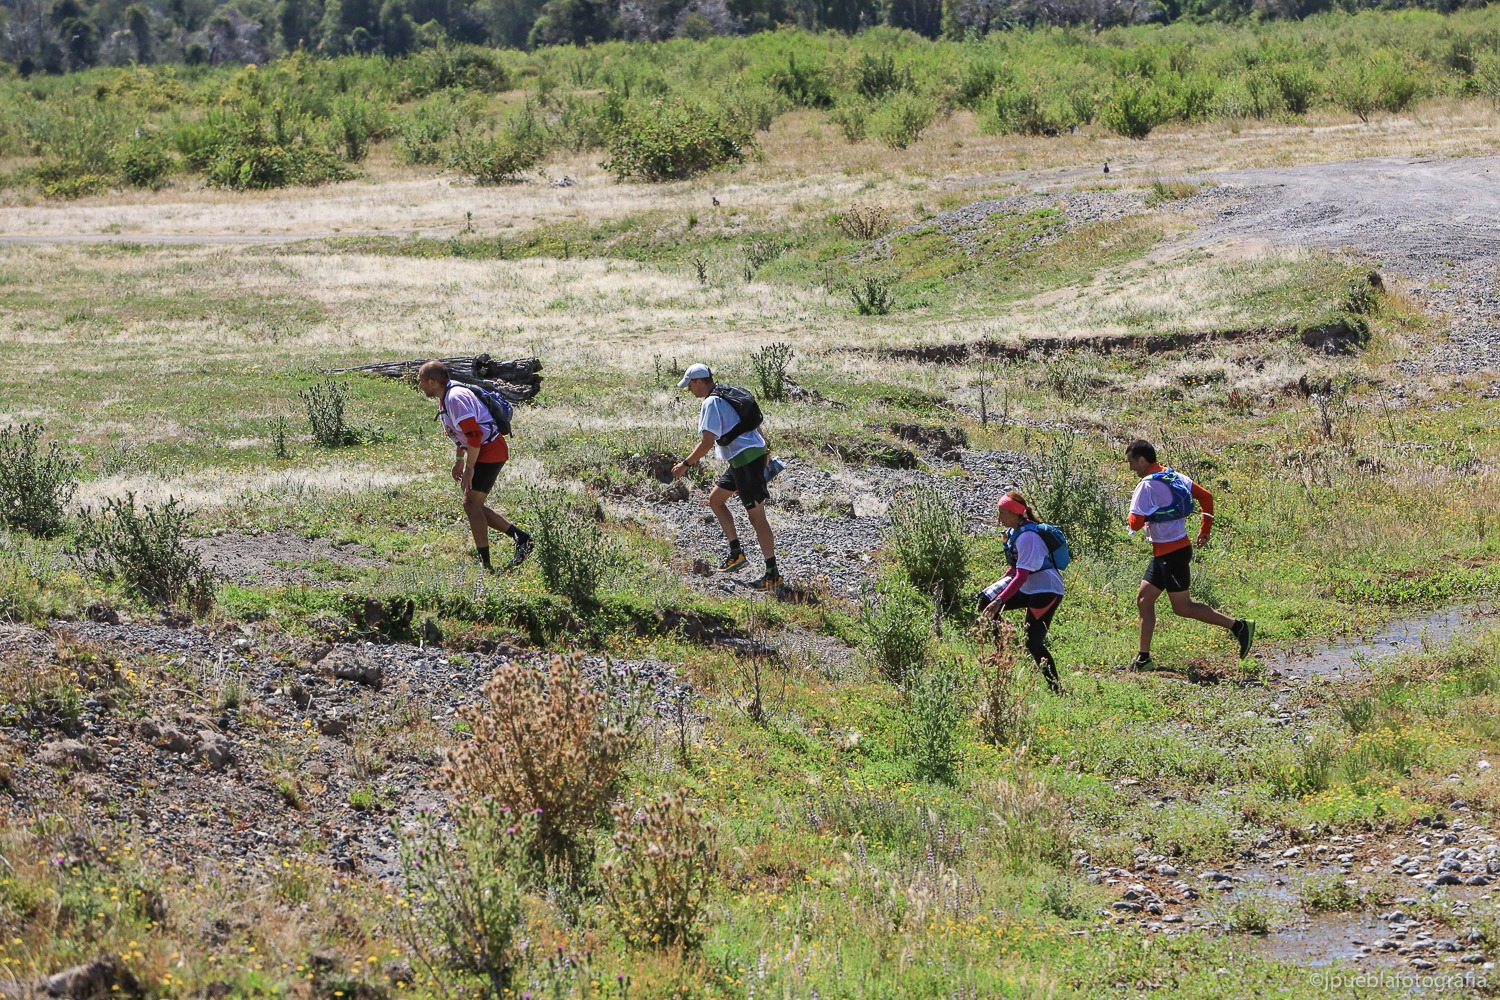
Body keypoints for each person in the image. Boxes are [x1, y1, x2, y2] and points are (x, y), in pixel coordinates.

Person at [1124, 439, 1253, 668]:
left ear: (1142, 460)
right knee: (1144, 599)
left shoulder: (1146, 485)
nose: (1131, 468)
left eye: (1131, 462)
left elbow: (1134, 524)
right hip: (1168, 552)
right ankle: (1143, 658)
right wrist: (1205, 529)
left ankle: (1239, 626)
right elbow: (1206, 496)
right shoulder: (1173, 476)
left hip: (1172, 554)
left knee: (1182, 607)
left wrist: (1139, 514)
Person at [671, 363, 780, 591]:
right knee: (716, 500)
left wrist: (685, 465)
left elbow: (707, 442)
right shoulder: (727, 393)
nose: (689, 390)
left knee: (757, 518)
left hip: (746, 461)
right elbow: (753, 425)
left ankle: (772, 575)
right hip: (745, 458)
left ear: (699, 382)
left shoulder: (711, 402)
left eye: (690, 385)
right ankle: (736, 553)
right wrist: (765, 451)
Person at [418, 360, 531, 572]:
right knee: (472, 505)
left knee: (471, 505)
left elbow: (475, 435)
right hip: (482, 450)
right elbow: (461, 432)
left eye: (421, 381)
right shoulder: (447, 395)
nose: (420, 385)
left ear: (432, 382)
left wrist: (469, 468)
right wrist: (459, 460)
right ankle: (520, 539)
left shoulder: (455, 398)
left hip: (490, 451)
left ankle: (488, 562)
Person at [979, 491, 1065, 695]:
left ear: (1014, 513)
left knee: (1033, 643)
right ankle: (1001, 652)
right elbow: (1015, 567)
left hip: (1047, 590)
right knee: (984, 601)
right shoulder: (1014, 532)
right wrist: (996, 589)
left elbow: (1021, 575)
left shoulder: (1028, 537)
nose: (999, 517)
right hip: (1029, 587)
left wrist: (999, 600)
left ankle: (1057, 690)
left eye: (1002, 513)